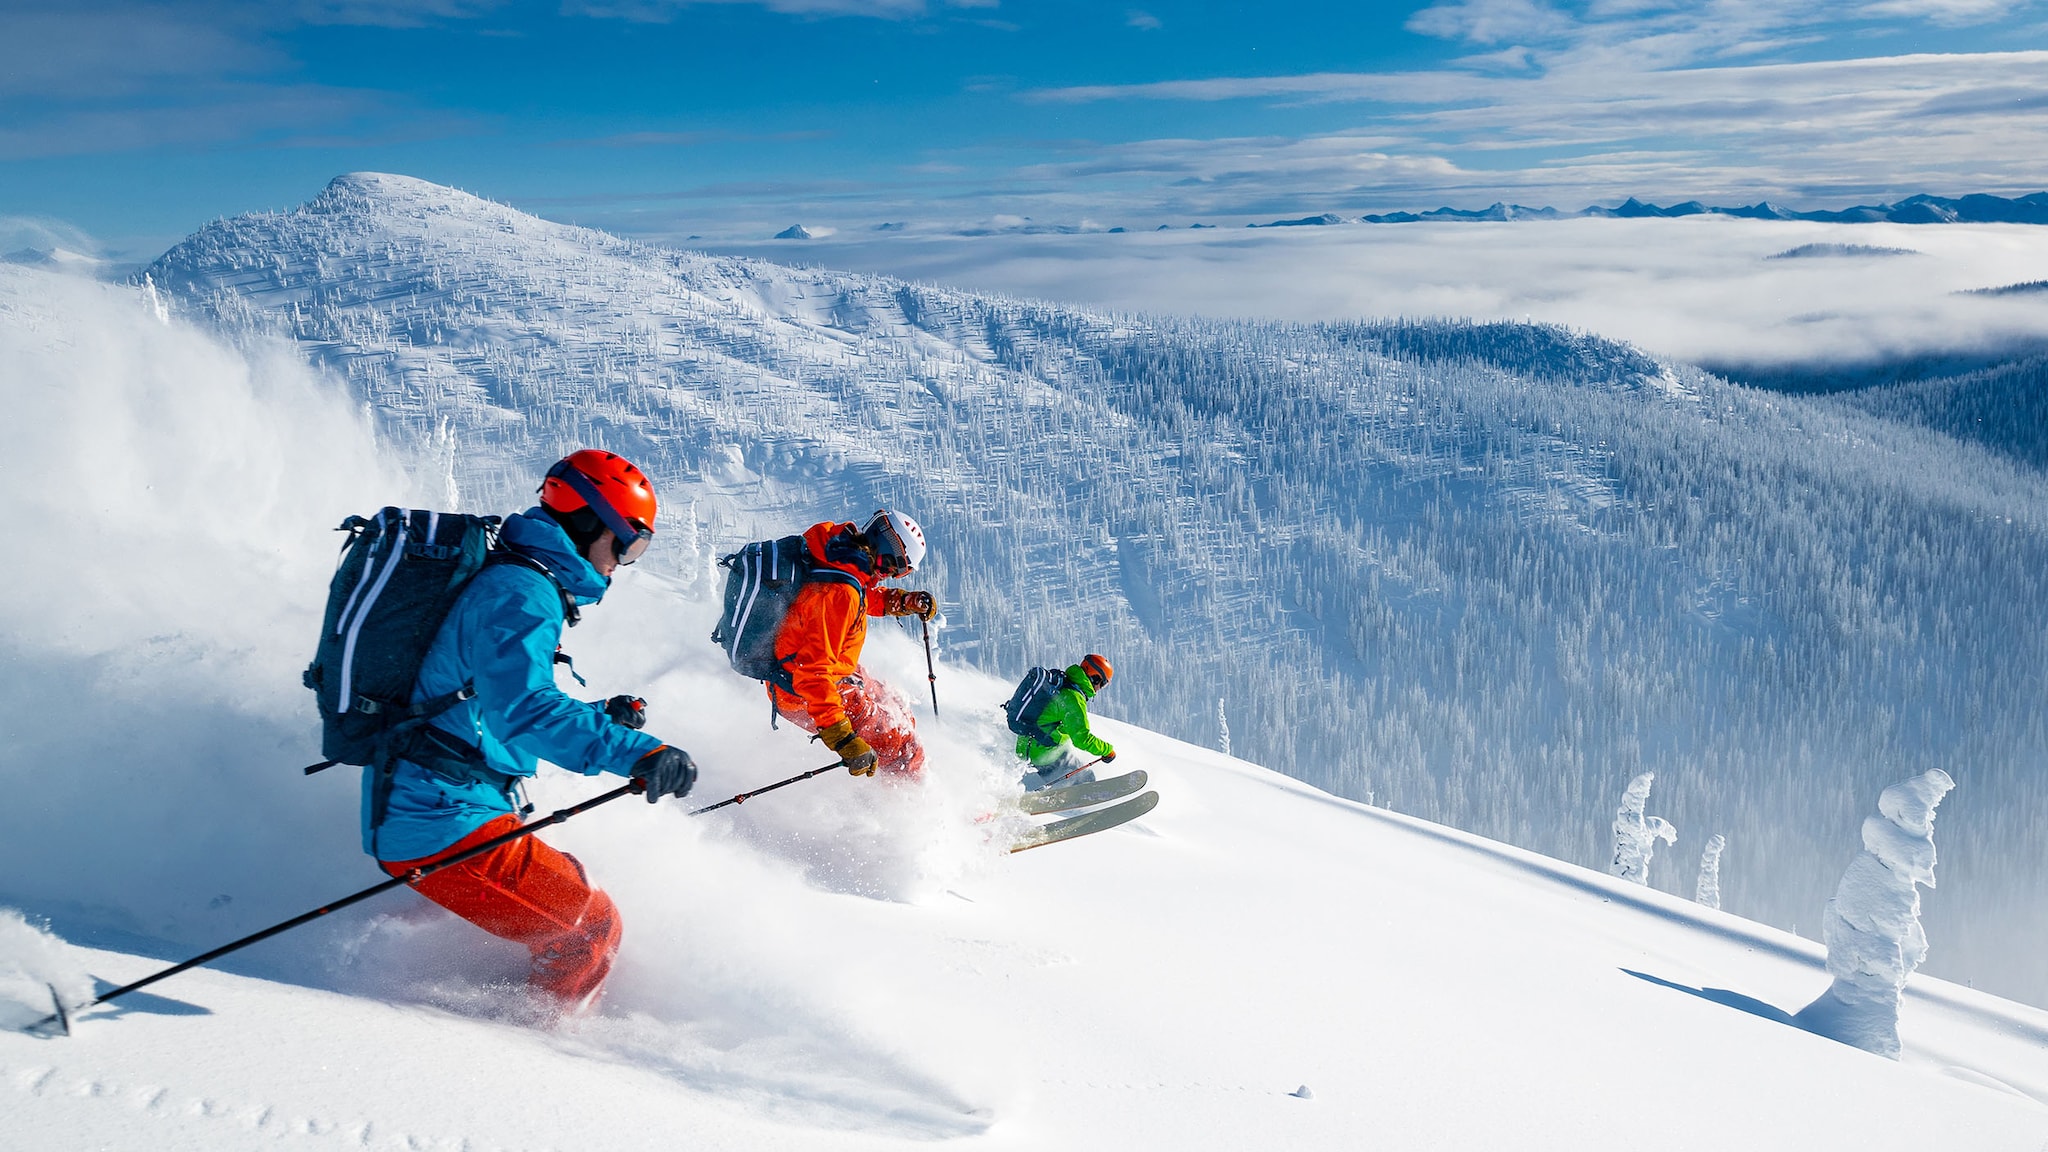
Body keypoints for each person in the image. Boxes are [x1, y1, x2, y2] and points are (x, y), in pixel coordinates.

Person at [363, 449, 698, 1018]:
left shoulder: (519, 580)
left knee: (570, 902)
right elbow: (522, 709)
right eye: (629, 544)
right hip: (441, 818)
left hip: (442, 804)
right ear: (592, 523)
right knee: (591, 929)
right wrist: (640, 752)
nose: (623, 562)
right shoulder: (521, 593)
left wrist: (599, 717)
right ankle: (535, 1051)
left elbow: (486, 703)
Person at [769, 509, 937, 779]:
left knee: (894, 702)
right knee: (903, 748)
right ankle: (917, 800)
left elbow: (860, 595)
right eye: (895, 567)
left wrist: (903, 601)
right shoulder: (838, 592)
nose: (890, 575)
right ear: (887, 552)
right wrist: (842, 737)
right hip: (804, 691)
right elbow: (812, 674)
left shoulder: (835, 554)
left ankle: (907, 774)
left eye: (900, 572)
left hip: (826, 671)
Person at [1016, 654, 1118, 791]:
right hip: (1043, 754)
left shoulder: (1060, 684)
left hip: (1024, 747)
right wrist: (1108, 750)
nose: (1100, 689)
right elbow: (1082, 739)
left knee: (1072, 763)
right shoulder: (1073, 698)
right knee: (1087, 779)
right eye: (1103, 683)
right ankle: (1071, 808)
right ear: (1095, 677)